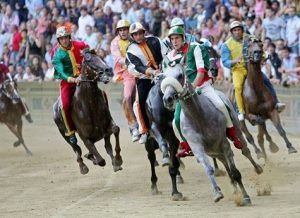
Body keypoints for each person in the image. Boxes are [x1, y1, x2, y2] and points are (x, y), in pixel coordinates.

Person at [166, 26, 243, 158]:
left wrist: (193, 86)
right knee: (175, 122)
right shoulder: (170, 55)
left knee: (220, 104)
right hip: (183, 93)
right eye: (172, 39)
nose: (174, 41)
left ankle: (232, 133)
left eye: (177, 38)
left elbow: (202, 70)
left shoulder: (195, 47)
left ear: (183, 38)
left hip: (202, 86)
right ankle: (185, 145)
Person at [220, 21, 285, 121]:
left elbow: (259, 47)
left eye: (239, 30)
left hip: (253, 69)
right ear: (232, 32)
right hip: (238, 70)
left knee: (266, 80)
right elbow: (225, 61)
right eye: (235, 30)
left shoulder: (250, 38)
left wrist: (265, 56)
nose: (237, 32)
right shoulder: (226, 45)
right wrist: (234, 61)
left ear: (242, 30)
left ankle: (276, 103)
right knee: (237, 87)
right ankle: (240, 111)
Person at [126, 22, 167, 144]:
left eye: (140, 33)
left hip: (162, 73)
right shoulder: (131, 50)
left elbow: (166, 54)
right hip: (145, 79)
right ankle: (145, 130)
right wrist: (152, 72)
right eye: (135, 34)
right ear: (132, 36)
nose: (138, 36)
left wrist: (162, 67)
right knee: (140, 101)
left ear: (144, 32)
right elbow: (137, 66)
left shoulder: (155, 40)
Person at [51, 25, 89, 144]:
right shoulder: (57, 55)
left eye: (66, 37)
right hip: (67, 83)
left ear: (69, 37)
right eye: (61, 39)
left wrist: (91, 52)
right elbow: (61, 73)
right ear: (59, 40)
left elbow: (88, 50)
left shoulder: (79, 44)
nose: (64, 40)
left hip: (83, 78)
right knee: (65, 105)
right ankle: (70, 131)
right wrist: (73, 80)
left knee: (101, 94)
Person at [110, 19, 140, 142]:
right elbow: (118, 58)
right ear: (118, 31)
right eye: (120, 30)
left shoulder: (134, 39)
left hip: (140, 71)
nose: (123, 32)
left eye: (125, 30)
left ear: (129, 30)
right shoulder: (114, 43)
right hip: (126, 73)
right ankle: (133, 126)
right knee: (127, 97)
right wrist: (130, 62)